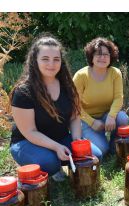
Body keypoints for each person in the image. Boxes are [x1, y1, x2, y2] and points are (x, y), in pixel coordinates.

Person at [9, 34, 101, 181]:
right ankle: (48, 164)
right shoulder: (23, 91)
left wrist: (77, 140)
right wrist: (56, 147)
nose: (51, 64)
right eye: (45, 59)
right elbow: (29, 131)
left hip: (61, 138)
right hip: (26, 142)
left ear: (61, 62)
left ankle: (59, 160)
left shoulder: (68, 86)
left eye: (56, 59)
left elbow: (75, 117)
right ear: (35, 60)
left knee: (94, 154)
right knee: (50, 163)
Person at [73, 37, 129, 156]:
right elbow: (74, 105)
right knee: (102, 150)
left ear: (111, 57)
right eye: (98, 54)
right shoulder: (81, 76)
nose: (102, 57)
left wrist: (111, 116)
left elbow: (119, 97)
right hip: (85, 119)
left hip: (106, 116)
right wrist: (92, 122)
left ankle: (115, 148)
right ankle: (89, 140)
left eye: (106, 54)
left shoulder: (115, 73)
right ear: (91, 57)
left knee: (122, 118)